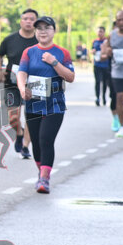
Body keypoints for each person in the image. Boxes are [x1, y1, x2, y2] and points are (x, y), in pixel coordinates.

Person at [16, 16, 75, 194]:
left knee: (46, 139)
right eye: (39, 28)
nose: (43, 31)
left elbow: (70, 77)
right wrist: (22, 88)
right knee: (36, 142)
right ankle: (42, 172)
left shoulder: (62, 53)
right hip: (33, 102)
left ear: (54, 31)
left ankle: (44, 179)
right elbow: (21, 72)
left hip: (54, 104)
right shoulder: (29, 52)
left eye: (47, 28)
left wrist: (54, 62)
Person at [0, 9, 39, 159]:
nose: (28, 21)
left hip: (34, 84)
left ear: (36, 22)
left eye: (32, 19)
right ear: (21, 21)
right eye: (25, 18)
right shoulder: (10, 39)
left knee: (31, 117)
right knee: (13, 118)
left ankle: (25, 146)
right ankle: (20, 133)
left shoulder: (40, 41)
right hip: (12, 84)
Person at [92, 26, 110, 107]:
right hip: (97, 65)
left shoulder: (107, 41)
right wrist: (93, 51)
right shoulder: (95, 41)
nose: (99, 33)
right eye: (98, 31)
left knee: (105, 82)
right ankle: (97, 98)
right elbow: (93, 50)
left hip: (105, 65)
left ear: (104, 32)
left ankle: (104, 97)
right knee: (97, 82)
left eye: (101, 31)